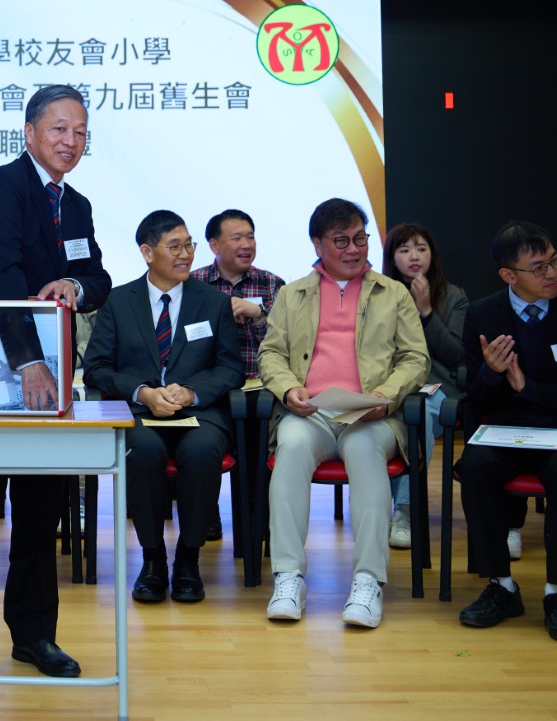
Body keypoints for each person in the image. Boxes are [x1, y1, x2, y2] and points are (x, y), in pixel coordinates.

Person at [0, 84, 111, 679]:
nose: (71, 141)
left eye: (80, 132)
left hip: (51, 379)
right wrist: (29, 361)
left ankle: (34, 635)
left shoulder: (77, 204)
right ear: (30, 132)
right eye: (60, 128)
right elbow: (4, 275)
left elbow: (97, 276)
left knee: (39, 513)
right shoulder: (4, 185)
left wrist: (74, 287)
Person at [257, 198, 428, 628]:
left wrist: (384, 396)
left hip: (371, 414)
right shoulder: (292, 294)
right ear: (318, 244)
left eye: (360, 239)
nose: (354, 249)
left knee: (365, 450)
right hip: (311, 413)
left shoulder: (393, 293)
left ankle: (368, 581)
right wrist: (288, 388)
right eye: (341, 241)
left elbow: (415, 358)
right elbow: (271, 354)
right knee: (291, 446)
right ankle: (288, 577)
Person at [83, 209, 243, 604]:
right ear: (147, 252)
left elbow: (230, 368)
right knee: (144, 452)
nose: (185, 254)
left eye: (189, 245)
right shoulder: (119, 302)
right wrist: (142, 392)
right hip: (139, 413)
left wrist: (190, 392)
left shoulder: (214, 302)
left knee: (202, 451)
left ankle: (188, 558)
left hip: (198, 413)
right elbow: (96, 368)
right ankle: (152, 558)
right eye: (174, 247)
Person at [454, 221, 557, 640]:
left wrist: (526, 387)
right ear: (508, 275)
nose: (551, 273)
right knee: (475, 466)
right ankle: (501, 585)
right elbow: (475, 399)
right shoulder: (483, 314)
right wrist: (493, 374)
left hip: (554, 431)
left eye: (553, 261)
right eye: (539, 267)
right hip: (503, 431)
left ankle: (554, 591)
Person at [191, 209, 285, 540]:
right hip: (210, 385)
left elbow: (289, 339)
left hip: (259, 387)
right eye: (237, 238)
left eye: (250, 237)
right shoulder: (193, 283)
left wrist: (258, 313)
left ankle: (255, 520)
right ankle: (206, 511)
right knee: (204, 432)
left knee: (259, 425)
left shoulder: (272, 284)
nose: (247, 244)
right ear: (214, 245)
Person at [380, 223, 469, 548]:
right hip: (392, 386)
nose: (414, 256)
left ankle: (404, 510)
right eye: (404, 250)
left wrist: (426, 311)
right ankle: (377, 505)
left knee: (420, 413)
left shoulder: (453, 296)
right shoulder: (380, 294)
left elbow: (455, 353)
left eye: (421, 248)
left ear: (432, 254)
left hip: (439, 388)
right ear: (392, 257)